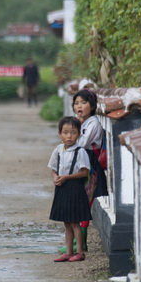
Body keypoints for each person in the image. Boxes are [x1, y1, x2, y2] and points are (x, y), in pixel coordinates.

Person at [68, 88, 108, 253]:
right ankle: (79, 242)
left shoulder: (93, 124)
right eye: (76, 103)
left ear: (92, 106)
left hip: (91, 166)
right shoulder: (83, 123)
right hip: (82, 164)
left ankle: (81, 243)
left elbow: (81, 143)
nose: (79, 106)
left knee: (85, 202)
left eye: (83, 103)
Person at [48, 116, 92, 262]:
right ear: (60, 133)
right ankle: (68, 251)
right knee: (66, 222)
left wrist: (67, 177)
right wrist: (55, 177)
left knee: (75, 222)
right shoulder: (58, 150)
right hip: (62, 188)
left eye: (73, 132)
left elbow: (85, 172)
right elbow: (53, 168)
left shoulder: (80, 152)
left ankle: (79, 251)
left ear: (78, 134)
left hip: (75, 188)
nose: (69, 136)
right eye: (65, 132)